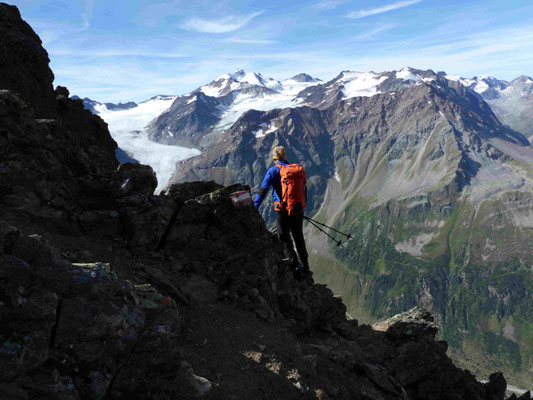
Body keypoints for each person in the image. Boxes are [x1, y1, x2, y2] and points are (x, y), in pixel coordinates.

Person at [254, 145, 311, 280]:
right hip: (297, 209)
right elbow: (304, 189)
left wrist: (254, 206)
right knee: (299, 237)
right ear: (284, 157)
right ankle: (306, 268)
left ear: (274, 158)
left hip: (282, 210)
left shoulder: (273, 171)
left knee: (284, 237)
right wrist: (301, 207)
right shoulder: (295, 170)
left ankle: (295, 267)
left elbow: (263, 190)